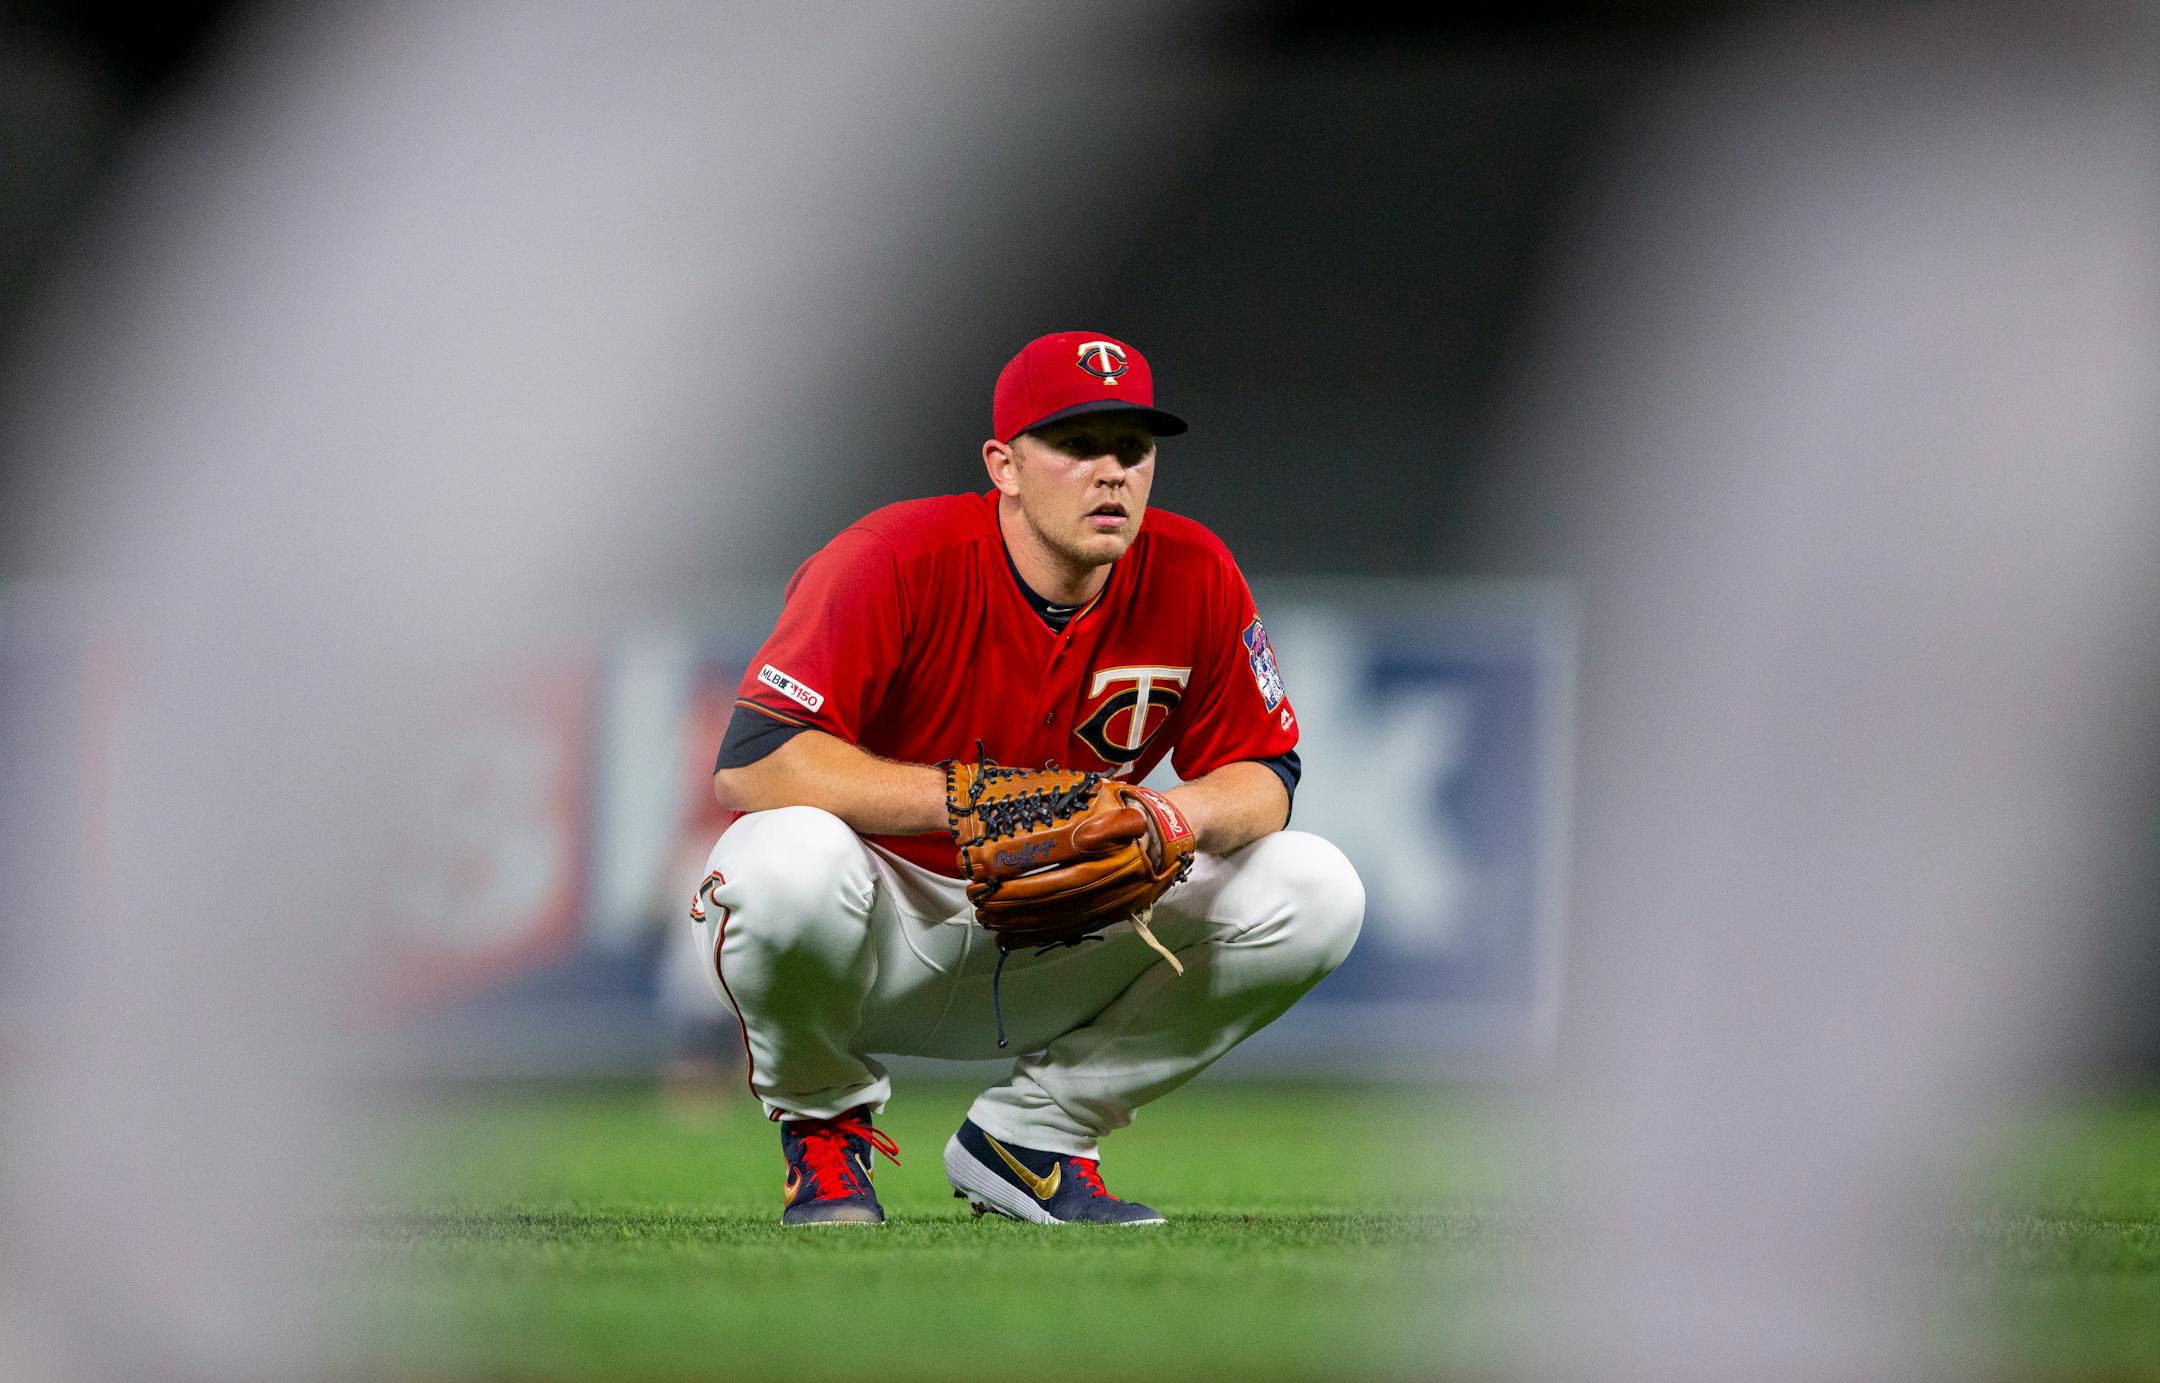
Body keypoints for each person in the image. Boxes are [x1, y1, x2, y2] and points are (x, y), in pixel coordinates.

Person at [690, 330, 1364, 1226]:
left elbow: (1267, 772)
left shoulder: (1194, 571)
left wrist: (1174, 813)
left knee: (1317, 885)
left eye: (1132, 448)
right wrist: (965, 797)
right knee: (777, 862)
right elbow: (757, 758)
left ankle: (1034, 1137)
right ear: (1004, 465)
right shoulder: (895, 557)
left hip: (1070, 932)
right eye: (1077, 445)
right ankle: (823, 1126)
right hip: (888, 926)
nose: (1111, 471)